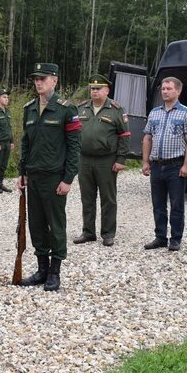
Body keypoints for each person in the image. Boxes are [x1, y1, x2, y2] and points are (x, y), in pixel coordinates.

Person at [17, 62, 81, 292]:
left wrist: (68, 178)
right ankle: (41, 269)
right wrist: (22, 172)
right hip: (34, 176)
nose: (38, 82)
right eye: (36, 78)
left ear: (55, 81)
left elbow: (74, 147)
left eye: (43, 78)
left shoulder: (66, 109)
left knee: (55, 225)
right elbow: (26, 143)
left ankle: (55, 272)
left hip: (55, 178)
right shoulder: (30, 108)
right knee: (36, 224)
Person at [73, 74, 130, 247]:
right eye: (92, 88)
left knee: (108, 198)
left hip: (107, 160)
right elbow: (73, 133)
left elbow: (125, 135)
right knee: (87, 197)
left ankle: (108, 233)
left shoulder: (115, 109)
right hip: (84, 159)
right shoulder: (81, 108)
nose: (95, 91)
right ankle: (88, 232)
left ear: (107, 90)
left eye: (98, 88)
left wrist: (120, 159)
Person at [141, 77, 187, 252]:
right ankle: (160, 236)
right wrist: (145, 161)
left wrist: (186, 165)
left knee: (176, 204)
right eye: (163, 89)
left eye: (169, 88)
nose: (165, 91)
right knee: (158, 204)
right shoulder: (154, 113)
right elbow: (147, 137)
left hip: (175, 165)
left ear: (178, 91)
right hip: (157, 165)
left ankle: (176, 238)